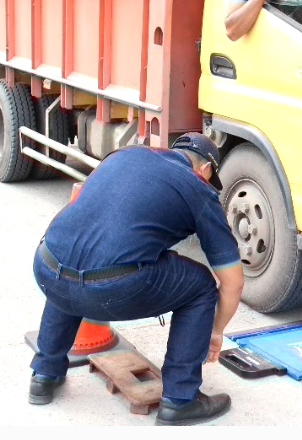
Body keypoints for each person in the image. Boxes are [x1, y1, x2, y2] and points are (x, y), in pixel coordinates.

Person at [27, 133, 243, 426]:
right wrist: (215, 332)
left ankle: (44, 374)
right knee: (201, 286)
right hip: (110, 288)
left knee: (75, 259)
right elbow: (232, 281)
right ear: (206, 171)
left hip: (46, 267)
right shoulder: (198, 188)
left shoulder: (124, 155)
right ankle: (180, 399)